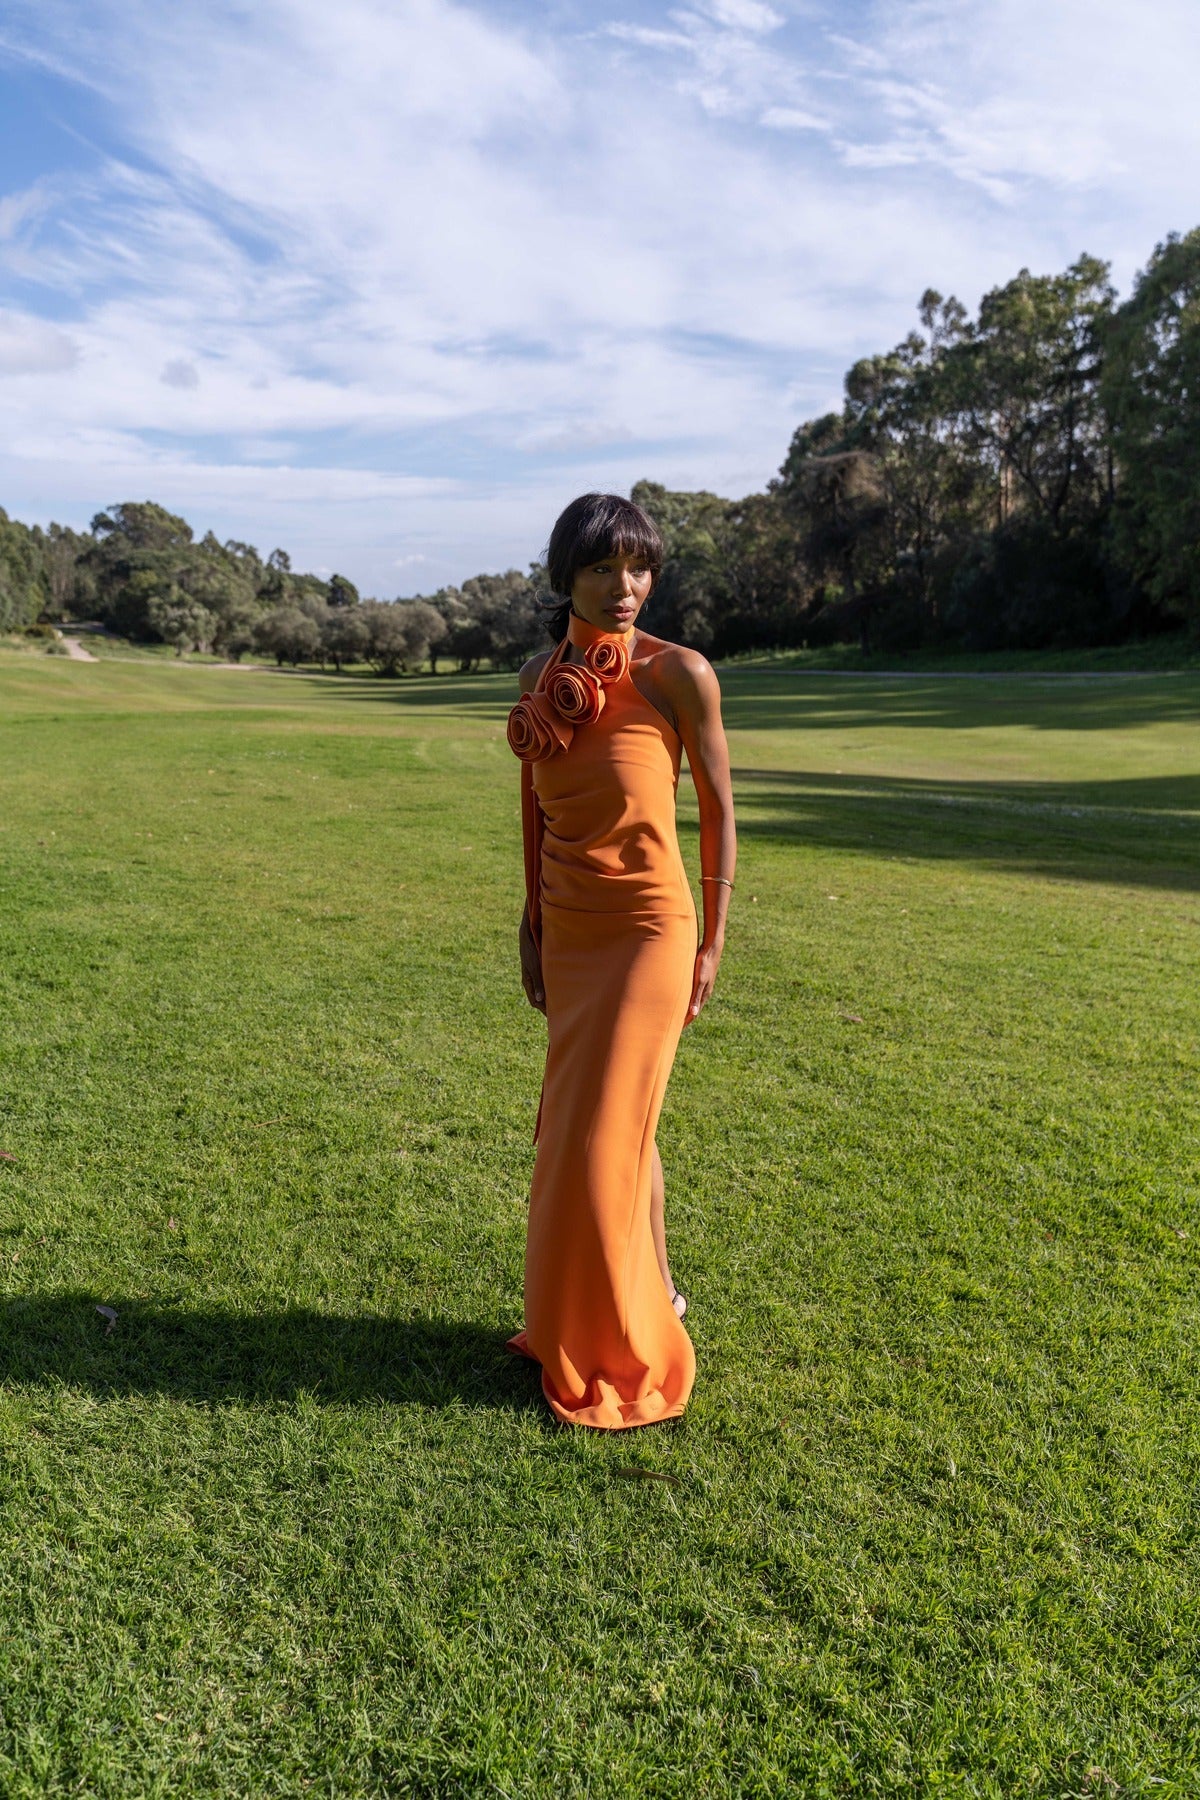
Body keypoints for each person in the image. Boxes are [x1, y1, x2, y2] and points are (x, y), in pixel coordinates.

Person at [505, 492, 736, 1429]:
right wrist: (530, 919)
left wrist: (714, 938)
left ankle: (622, 1345)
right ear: (567, 576)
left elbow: (719, 809)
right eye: (604, 569)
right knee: (600, 1127)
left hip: (649, 930)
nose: (626, 587)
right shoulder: (537, 672)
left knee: (603, 1130)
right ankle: (656, 1291)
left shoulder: (679, 673)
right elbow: (535, 807)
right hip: (570, 926)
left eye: (640, 568)